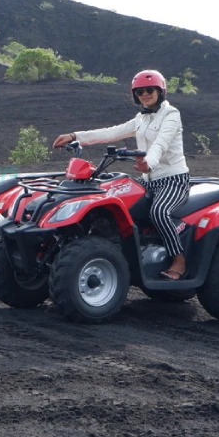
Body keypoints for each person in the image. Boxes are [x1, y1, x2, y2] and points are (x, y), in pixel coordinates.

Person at [53, 69, 190, 280]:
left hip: (173, 180)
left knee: (159, 212)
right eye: (140, 91)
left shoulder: (172, 114)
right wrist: (75, 136)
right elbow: (111, 132)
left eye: (149, 90)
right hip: (149, 181)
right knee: (114, 199)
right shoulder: (140, 118)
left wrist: (148, 163)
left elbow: (161, 143)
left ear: (160, 91)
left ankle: (178, 260)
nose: (144, 94)